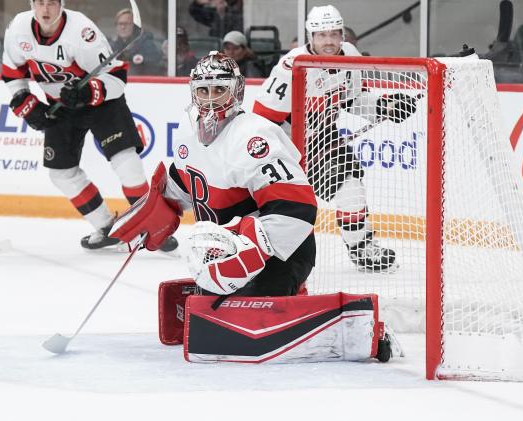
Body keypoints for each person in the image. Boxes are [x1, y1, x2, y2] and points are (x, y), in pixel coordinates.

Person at [111, 52, 317, 297]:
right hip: (223, 252)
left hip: (281, 254)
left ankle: (293, 292)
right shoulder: (187, 128)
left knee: (242, 313)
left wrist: (250, 248)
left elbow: (296, 210)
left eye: (219, 89)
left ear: (236, 91)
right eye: (203, 91)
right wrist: (160, 206)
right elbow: (184, 181)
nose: (210, 100)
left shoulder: (254, 137)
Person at [1, 0, 178, 252]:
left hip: (102, 103)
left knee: (126, 163)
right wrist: (27, 104)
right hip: (60, 106)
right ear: (32, 5)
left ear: (61, 4)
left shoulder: (82, 32)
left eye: (51, 2)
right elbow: (12, 74)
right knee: (61, 173)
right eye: (40, 2)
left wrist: (88, 92)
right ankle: (107, 228)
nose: (45, 9)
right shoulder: (18, 29)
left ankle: (154, 225)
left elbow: (117, 78)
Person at [252, 5, 417, 273]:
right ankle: (258, 248)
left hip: (324, 138)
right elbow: (263, 119)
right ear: (310, 36)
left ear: (342, 34)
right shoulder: (291, 66)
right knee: (280, 206)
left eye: (333, 34)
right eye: (321, 35)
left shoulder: (349, 56)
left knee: (351, 186)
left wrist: (385, 106)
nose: (328, 41)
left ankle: (361, 249)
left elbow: (354, 100)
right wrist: (282, 156)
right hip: (285, 144)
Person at [111, 8, 162, 76]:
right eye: (120, 24)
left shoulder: (147, 44)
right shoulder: (111, 47)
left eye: (127, 23)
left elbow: (155, 63)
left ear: (135, 26)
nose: (123, 27)